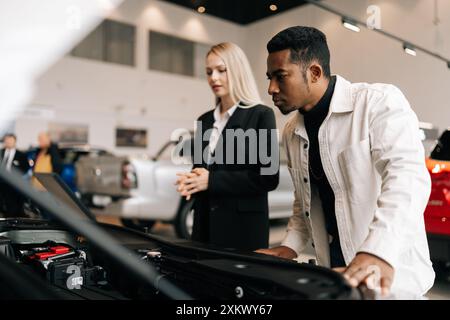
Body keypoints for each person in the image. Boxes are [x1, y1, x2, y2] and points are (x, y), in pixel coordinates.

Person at [257, 26, 434, 298]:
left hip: (394, 282)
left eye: (281, 76)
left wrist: (377, 251)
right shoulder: (291, 131)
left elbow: (407, 179)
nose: (271, 88)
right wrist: (290, 245)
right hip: (336, 280)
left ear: (314, 73)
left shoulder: (378, 103)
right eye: (269, 78)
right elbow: (304, 198)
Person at [176, 42, 279, 251]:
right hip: (204, 228)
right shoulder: (204, 120)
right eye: (209, 72)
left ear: (237, 70)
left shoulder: (261, 115)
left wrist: (210, 180)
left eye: (221, 70)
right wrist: (191, 181)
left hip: (242, 232)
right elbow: (202, 169)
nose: (214, 77)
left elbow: (268, 178)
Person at [0, 133, 30, 217]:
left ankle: (13, 218)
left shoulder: (21, 155)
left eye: (10, 140)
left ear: (15, 141)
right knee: (3, 202)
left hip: (14, 183)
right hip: (1, 182)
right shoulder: (1, 152)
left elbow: (26, 168)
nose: (8, 142)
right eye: (7, 140)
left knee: (13, 204)